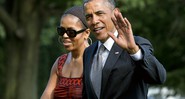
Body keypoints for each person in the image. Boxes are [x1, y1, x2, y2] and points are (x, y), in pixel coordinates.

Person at [82, 0, 166, 99]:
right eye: (89, 17)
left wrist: (134, 51)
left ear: (115, 13)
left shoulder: (137, 44)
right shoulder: (88, 52)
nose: (94, 21)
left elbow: (159, 77)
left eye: (99, 13)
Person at [40, 6, 90, 99]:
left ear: (86, 33)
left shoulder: (95, 61)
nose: (65, 36)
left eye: (71, 32)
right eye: (61, 31)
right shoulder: (60, 63)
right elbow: (46, 95)